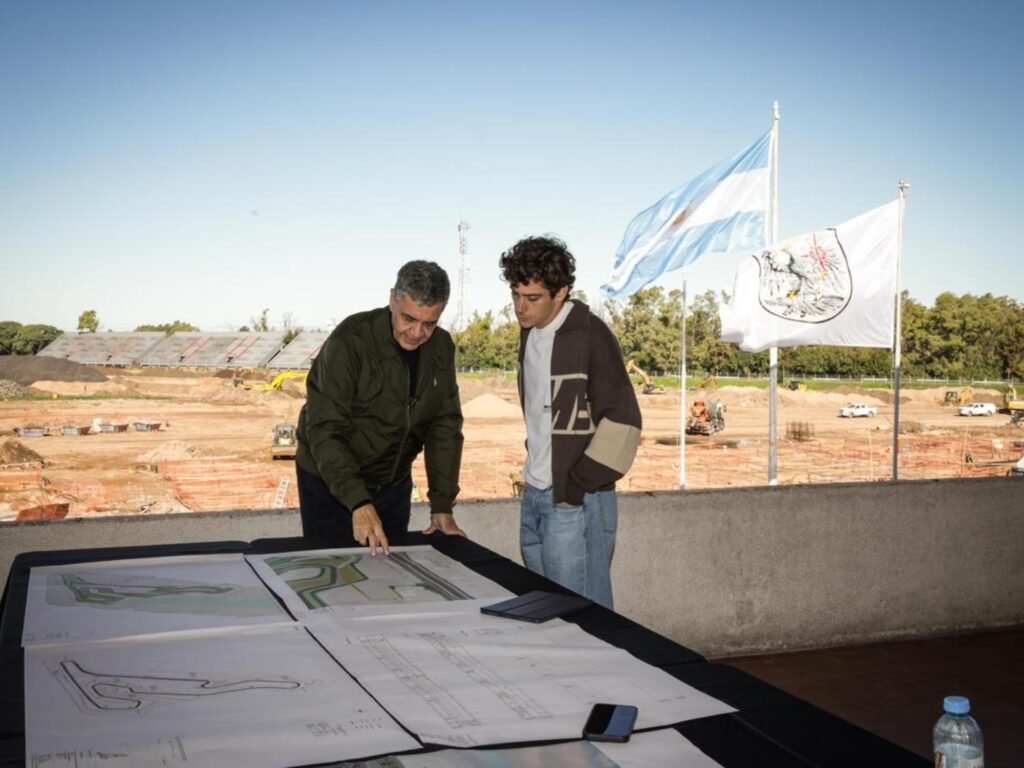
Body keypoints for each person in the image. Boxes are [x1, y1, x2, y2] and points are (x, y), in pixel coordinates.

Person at [499, 235, 641, 609]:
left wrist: (576, 485)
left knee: (581, 616)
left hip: (575, 500)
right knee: (546, 611)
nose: (520, 307)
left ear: (560, 292)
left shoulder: (590, 335)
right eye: (516, 295)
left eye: (532, 298)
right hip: (535, 492)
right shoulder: (529, 334)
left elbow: (624, 419)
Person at [295, 260, 466, 554]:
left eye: (430, 323)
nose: (417, 333)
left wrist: (442, 505)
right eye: (408, 318)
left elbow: (444, 427)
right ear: (392, 299)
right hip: (330, 482)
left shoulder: (441, 347)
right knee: (335, 568)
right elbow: (325, 428)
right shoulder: (351, 340)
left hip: (392, 483)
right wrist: (358, 501)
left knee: (387, 571)